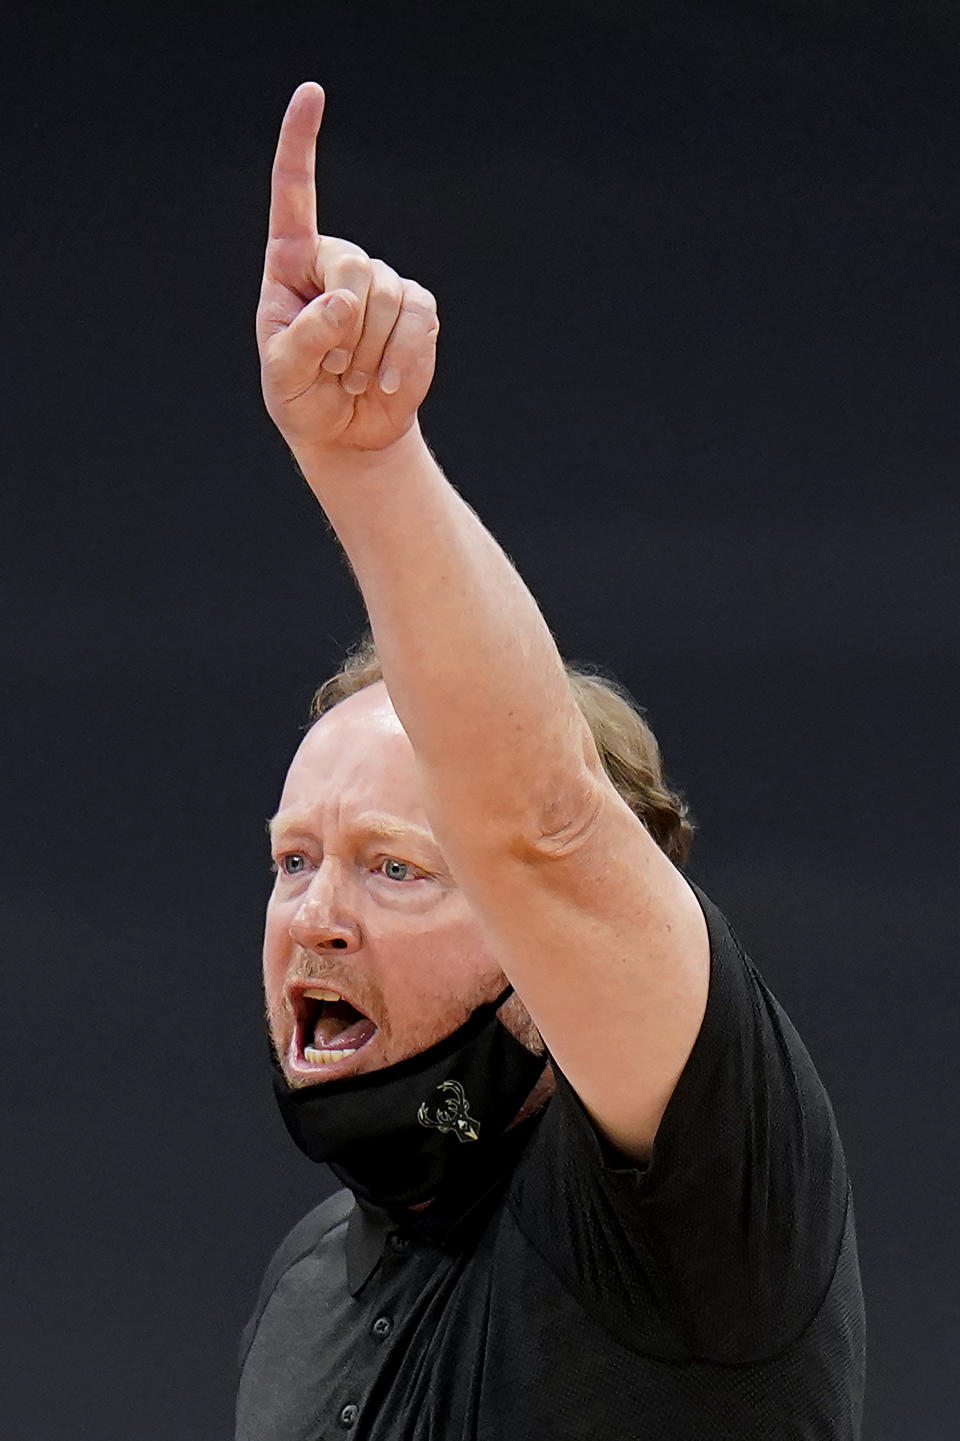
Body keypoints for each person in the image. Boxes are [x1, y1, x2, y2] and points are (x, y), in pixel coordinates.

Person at [235, 82, 866, 1440]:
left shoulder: (697, 1203)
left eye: (396, 866)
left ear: (546, 960)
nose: (314, 913)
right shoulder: (305, 1288)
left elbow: (543, 826)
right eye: (294, 858)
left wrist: (369, 463)